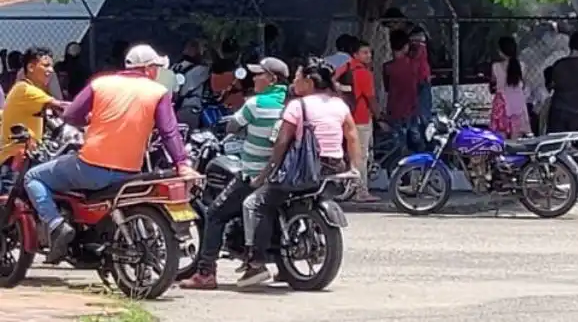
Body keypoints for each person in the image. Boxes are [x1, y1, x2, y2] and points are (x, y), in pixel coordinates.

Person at [23, 44, 195, 263]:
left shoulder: (101, 84)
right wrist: (182, 163)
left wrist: (89, 119)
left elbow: (71, 115)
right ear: (149, 69)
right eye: (157, 68)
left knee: (33, 177)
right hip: (130, 172)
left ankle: (57, 226)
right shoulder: (158, 92)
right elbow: (169, 131)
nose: (158, 73)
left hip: (90, 167)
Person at [240, 58, 361, 287]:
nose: (294, 82)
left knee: (256, 203)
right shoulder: (339, 105)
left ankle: (256, 263)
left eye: (297, 77)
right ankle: (284, 266)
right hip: (332, 171)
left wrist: (265, 174)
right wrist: (354, 168)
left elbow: (282, 143)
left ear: (309, 81)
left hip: (304, 171)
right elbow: (352, 137)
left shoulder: (298, 105)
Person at [180, 57, 289, 289]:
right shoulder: (291, 103)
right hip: (283, 174)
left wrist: (234, 125)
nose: (255, 79)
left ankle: (206, 272)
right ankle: (282, 267)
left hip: (254, 172)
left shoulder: (255, 104)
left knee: (215, 213)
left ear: (272, 79)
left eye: (259, 75)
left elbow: (231, 126)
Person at [0, 48, 70, 165]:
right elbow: (60, 106)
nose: (51, 70)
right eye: (46, 66)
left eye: (51, 66)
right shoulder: (25, 89)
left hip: (29, 155)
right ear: (31, 68)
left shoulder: (33, 90)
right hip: (15, 160)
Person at [383, 29, 431, 151]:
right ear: (406, 47)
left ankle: (396, 163)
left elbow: (387, 87)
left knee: (397, 140)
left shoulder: (387, 67)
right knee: (416, 136)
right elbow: (421, 81)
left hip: (394, 108)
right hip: (411, 107)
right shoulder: (413, 65)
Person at [344, 39, 378, 201]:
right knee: (361, 155)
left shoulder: (344, 69)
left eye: (369, 52)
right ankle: (361, 191)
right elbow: (370, 98)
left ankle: (351, 188)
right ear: (356, 54)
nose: (368, 55)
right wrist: (379, 116)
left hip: (346, 116)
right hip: (361, 118)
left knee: (352, 154)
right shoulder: (364, 73)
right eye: (364, 52)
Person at [491, 37, 531, 138]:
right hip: (518, 104)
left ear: (501, 51)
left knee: (501, 135)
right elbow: (524, 85)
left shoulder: (495, 66)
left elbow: (493, 85)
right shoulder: (521, 66)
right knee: (516, 138)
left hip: (502, 105)